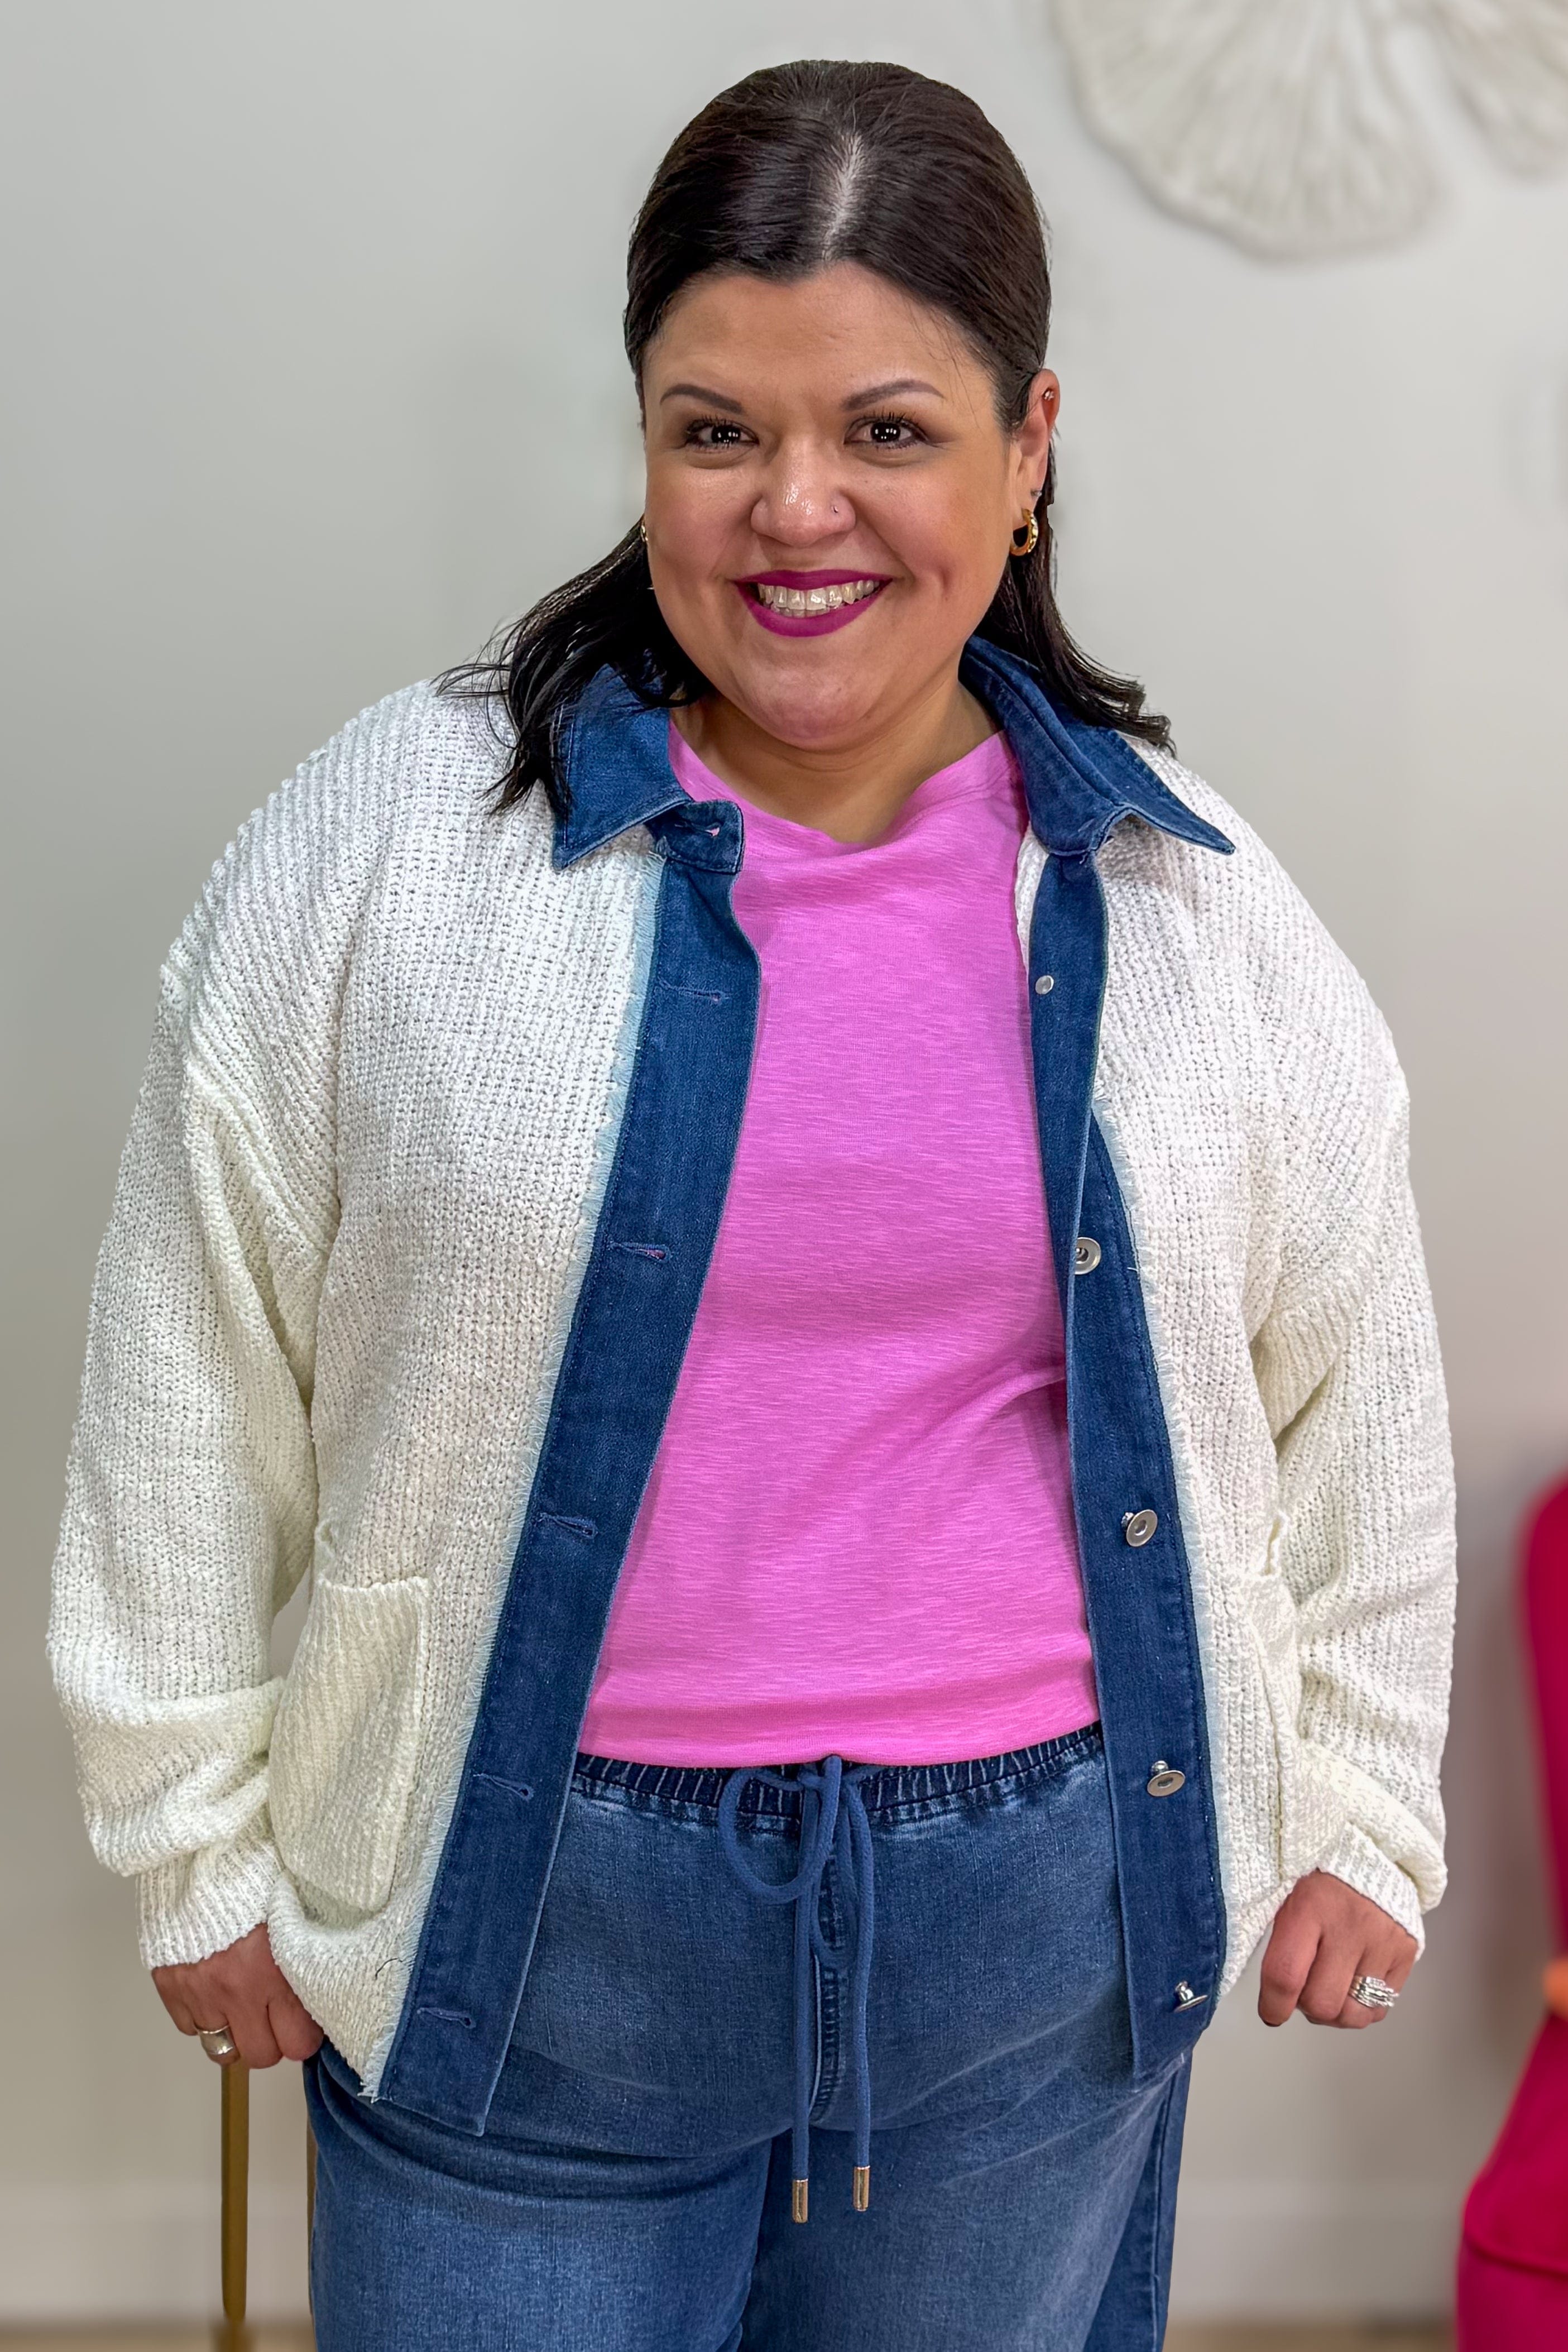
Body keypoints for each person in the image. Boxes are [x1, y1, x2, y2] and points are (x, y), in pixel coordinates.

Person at [48, 57, 1456, 2352]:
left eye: (888, 429)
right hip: (518, 1938)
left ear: (1028, 452)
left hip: (1037, 1941)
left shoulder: (1189, 905)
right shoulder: (388, 850)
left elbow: (1355, 1374)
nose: (796, 509)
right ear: (643, 440)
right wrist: (182, 1835)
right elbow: (191, 1352)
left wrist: (1367, 1798)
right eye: (716, 429)